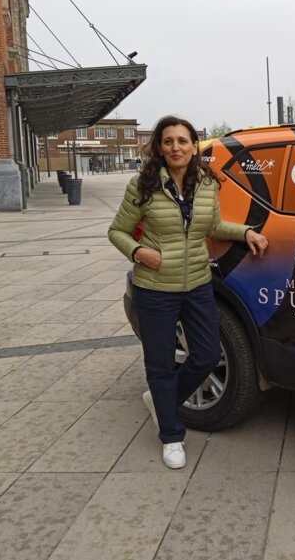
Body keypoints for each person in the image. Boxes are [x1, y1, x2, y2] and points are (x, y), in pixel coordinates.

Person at [108, 115, 268, 469]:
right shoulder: (142, 184)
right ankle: (171, 435)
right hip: (154, 287)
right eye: (168, 141)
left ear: (195, 146)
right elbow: (117, 231)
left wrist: (246, 233)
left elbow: (213, 226)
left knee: (208, 354)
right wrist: (138, 253)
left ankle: (163, 401)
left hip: (197, 283)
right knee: (161, 363)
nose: (176, 147)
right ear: (159, 147)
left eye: (183, 141)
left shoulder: (208, 182)